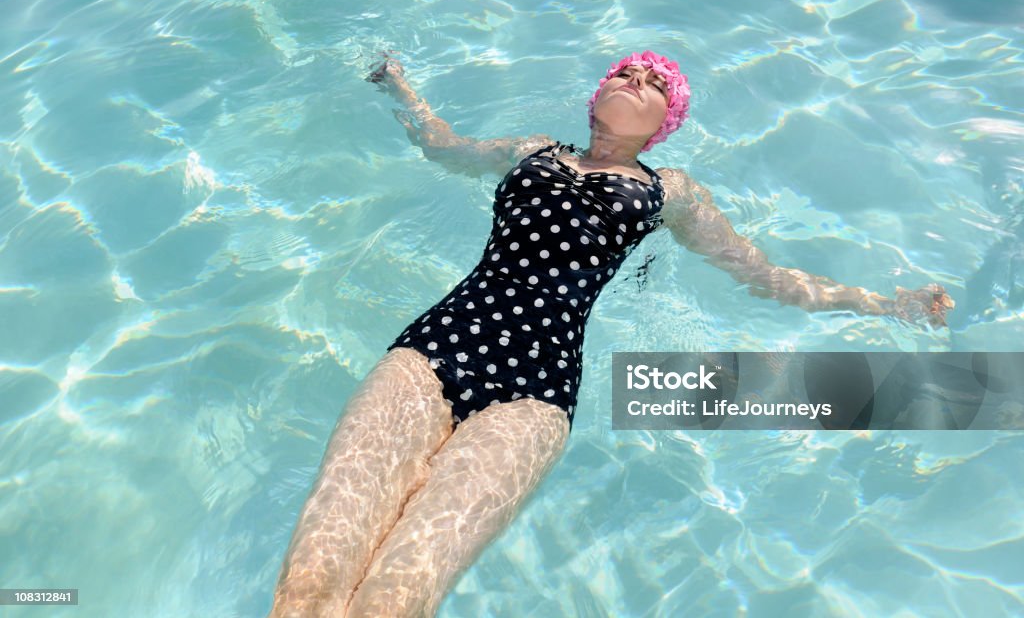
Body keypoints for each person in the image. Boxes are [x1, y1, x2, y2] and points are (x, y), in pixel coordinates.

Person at [268, 50, 953, 617]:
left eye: (657, 84)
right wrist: (400, 86)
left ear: (665, 124)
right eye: (628, 72)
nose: (638, 80)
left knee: (398, 594)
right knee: (314, 573)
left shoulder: (668, 192)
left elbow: (763, 273)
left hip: (534, 394)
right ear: (599, 93)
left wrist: (891, 306)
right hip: (435, 348)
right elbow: (444, 147)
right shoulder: (532, 150)